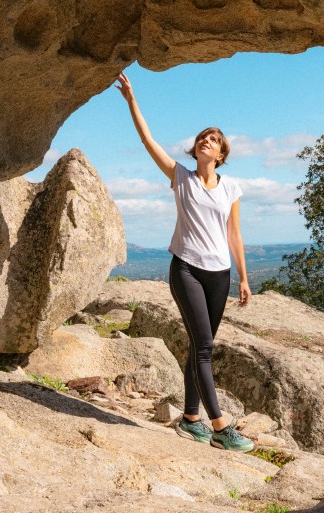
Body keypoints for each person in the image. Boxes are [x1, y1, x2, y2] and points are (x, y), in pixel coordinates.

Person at [115, 71, 254, 452]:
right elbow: (147, 140)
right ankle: (221, 427)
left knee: (198, 347)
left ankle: (190, 418)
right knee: (205, 346)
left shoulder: (231, 187)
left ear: (221, 154)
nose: (205, 141)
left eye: (213, 140)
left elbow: (234, 234)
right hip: (188, 269)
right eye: (202, 139)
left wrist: (243, 277)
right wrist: (131, 99)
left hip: (220, 275)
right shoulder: (181, 176)